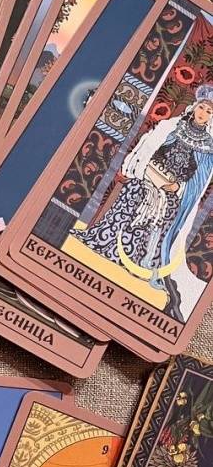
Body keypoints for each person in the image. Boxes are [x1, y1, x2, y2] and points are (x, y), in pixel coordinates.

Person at [76, 84, 213, 320]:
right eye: (202, 107)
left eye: (209, 112)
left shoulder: (208, 147)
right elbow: (148, 149)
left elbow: (197, 183)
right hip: (149, 176)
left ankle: (138, 260)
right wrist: (146, 171)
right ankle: (107, 243)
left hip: (172, 190)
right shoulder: (172, 126)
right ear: (194, 107)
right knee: (134, 190)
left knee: (164, 210)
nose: (203, 113)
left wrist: (177, 188)